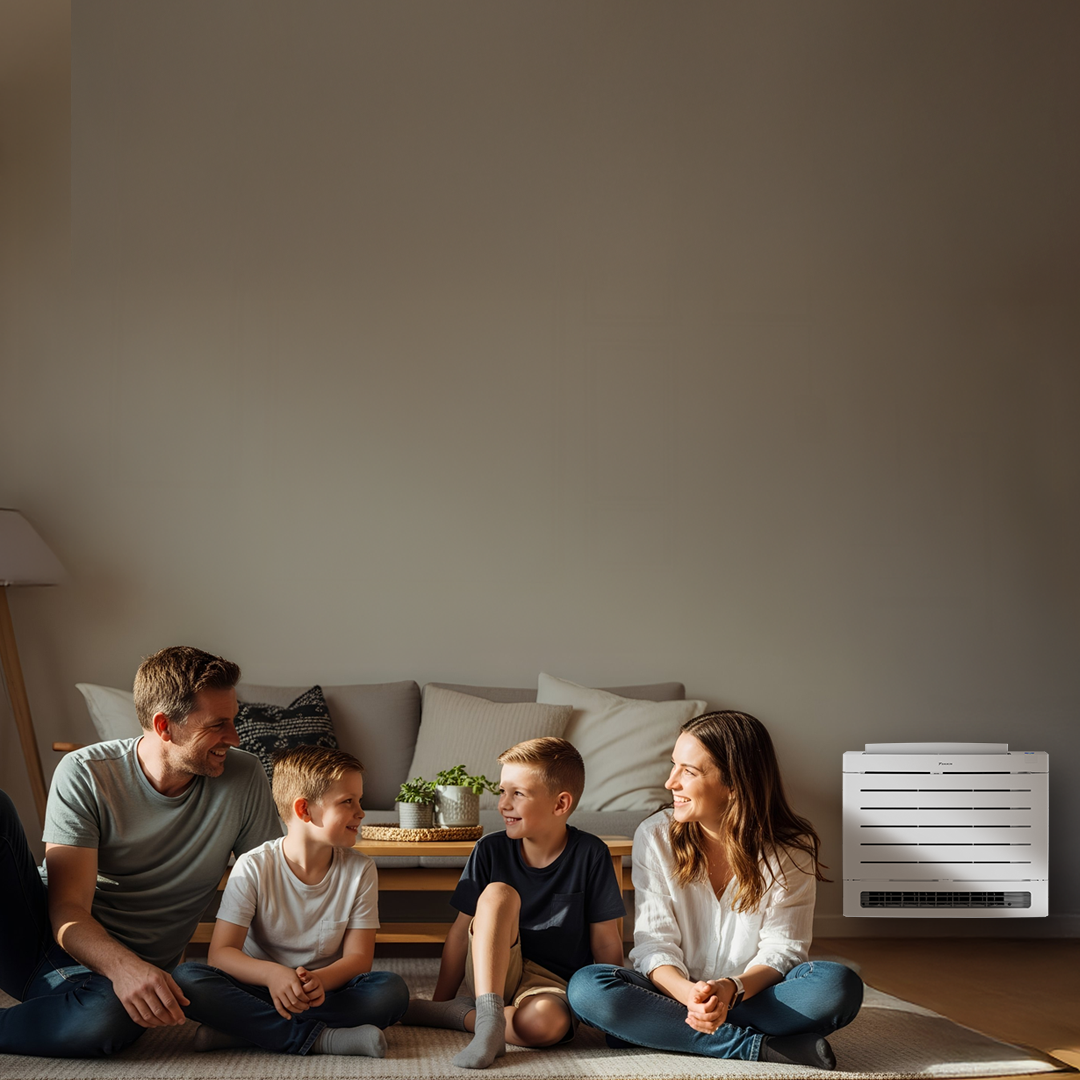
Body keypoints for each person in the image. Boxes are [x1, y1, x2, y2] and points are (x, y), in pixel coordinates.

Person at [0, 645, 283, 1058]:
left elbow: (270, 891)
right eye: (218, 725)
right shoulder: (86, 773)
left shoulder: (244, 776)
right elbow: (67, 909)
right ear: (164, 726)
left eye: (233, 721)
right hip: (41, 940)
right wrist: (124, 968)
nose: (234, 737)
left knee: (109, 1014)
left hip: (117, 977)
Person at [567, 711, 863, 1070]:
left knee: (837, 985)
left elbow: (783, 949)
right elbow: (653, 944)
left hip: (753, 994)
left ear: (735, 783)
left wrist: (730, 989)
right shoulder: (656, 836)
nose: (670, 782)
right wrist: (689, 996)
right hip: (672, 995)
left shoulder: (791, 847)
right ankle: (761, 1047)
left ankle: (657, 1030)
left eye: (688, 771)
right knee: (587, 987)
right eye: (673, 765)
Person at [403, 737, 626, 1069]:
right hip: (489, 971)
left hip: (551, 984)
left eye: (517, 794)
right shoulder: (489, 850)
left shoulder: (591, 854)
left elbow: (606, 940)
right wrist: (441, 999)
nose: (503, 804)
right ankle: (488, 1019)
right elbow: (460, 932)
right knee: (498, 894)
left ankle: (467, 1017)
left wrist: (616, 1011)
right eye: (502, 792)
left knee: (546, 1025)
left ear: (560, 803)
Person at [174, 745, 408, 1056]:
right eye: (347, 802)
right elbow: (221, 954)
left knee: (390, 992)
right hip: (259, 988)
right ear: (304, 810)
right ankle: (324, 1039)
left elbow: (358, 960)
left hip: (323, 990)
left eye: (359, 800)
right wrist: (273, 975)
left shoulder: (360, 870)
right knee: (187, 979)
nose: (361, 812)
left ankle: (245, 1031)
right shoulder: (254, 865)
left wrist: (317, 982)